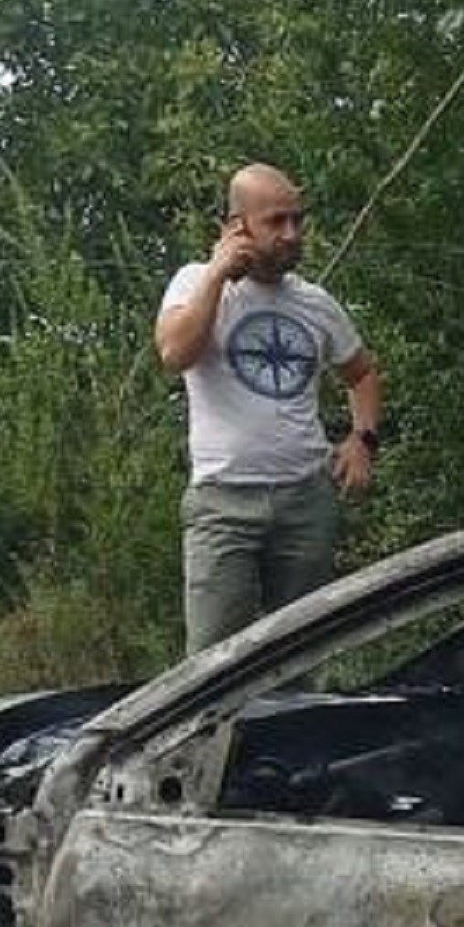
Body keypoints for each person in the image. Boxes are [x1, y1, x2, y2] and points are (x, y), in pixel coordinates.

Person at [154, 165, 384, 654]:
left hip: (306, 497)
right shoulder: (195, 282)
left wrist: (362, 440)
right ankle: (213, 736)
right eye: (276, 222)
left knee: (302, 654)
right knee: (211, 667)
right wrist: (218, 272)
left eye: (298, 221)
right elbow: (174, 354)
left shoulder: (315, 302)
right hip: (223, 501)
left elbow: (362, 373)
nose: (292, 235)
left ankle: (295, 733)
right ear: (236, 227)